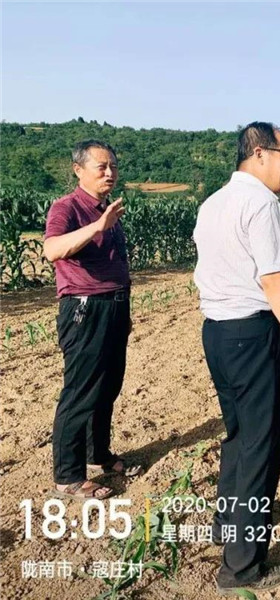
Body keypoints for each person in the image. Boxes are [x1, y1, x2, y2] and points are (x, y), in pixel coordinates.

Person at [194, 121, 280, 594]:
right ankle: (242, 568)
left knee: (238, 435)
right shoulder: (261, 203)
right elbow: (272, 280)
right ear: (262, 153)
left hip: (218, 334)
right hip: (252, 333)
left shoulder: (213, 203)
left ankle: (225, 527)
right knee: (260, 447)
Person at [44, 140, 142, 501]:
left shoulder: (107, 211)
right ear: (78, 170)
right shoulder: (66, 208)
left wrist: (124, 313)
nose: (110, 173)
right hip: (85, 310)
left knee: (108, 387)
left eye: (113, 166)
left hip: (114, 308)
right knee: (81, 392)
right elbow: (53, 249)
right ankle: (68, 475)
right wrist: (97, 226)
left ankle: (97, 453)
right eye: (101, 167)